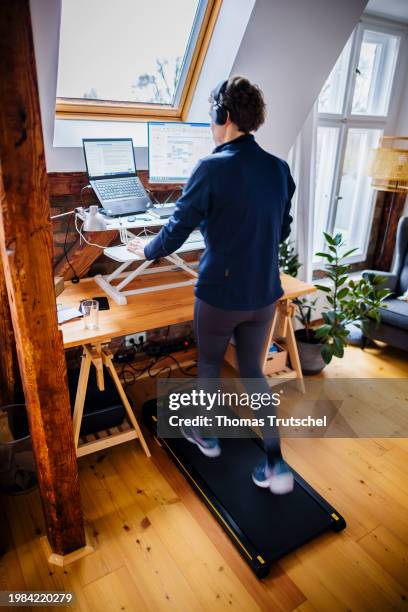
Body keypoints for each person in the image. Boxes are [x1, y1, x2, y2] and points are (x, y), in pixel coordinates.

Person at [128, 76, 295, 494]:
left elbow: (176, 231)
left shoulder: (210, 167)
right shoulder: (279, 168)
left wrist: (142, 252)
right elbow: (283, 230)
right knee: (254, 372)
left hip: (220, 295)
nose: (210, 126)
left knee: (208, 366)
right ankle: (275, 463)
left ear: (223, 117)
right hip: (264, 295)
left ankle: (207, 437)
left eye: (210, 118)